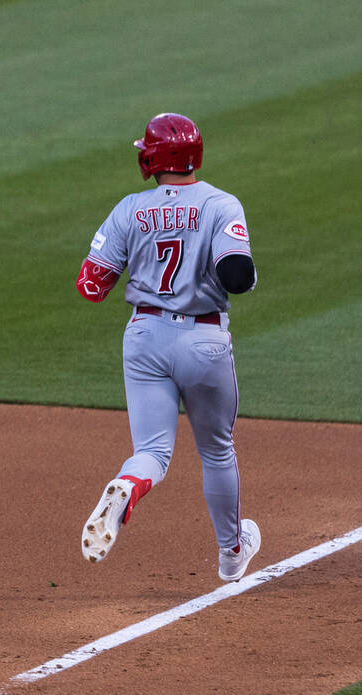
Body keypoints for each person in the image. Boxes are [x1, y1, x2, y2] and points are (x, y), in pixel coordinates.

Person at [75, 113, 262, 582]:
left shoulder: (129, 209)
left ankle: (129, 485)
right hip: (202, 341)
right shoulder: (220, 204)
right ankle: (230, 553)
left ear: (153, 158)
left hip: (144, 339)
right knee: (216, 450)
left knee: (152, 453)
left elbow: (91, 287)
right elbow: (238, 277)